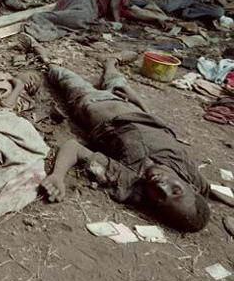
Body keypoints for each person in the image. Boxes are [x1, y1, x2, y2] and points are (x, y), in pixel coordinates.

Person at [41, 56, 210, 233]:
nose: (161, 186)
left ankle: (43, 55)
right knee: (114, 77)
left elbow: (73, 148)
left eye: (160, 197)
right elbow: (207, 189)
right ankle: (110, 62)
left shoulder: (127, 180)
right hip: (131, 103)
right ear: (192, 187)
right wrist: (138, 101)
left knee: (60, 73)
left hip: (91, 101)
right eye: (176, 190)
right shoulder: (190, 174)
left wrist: (57, 175)